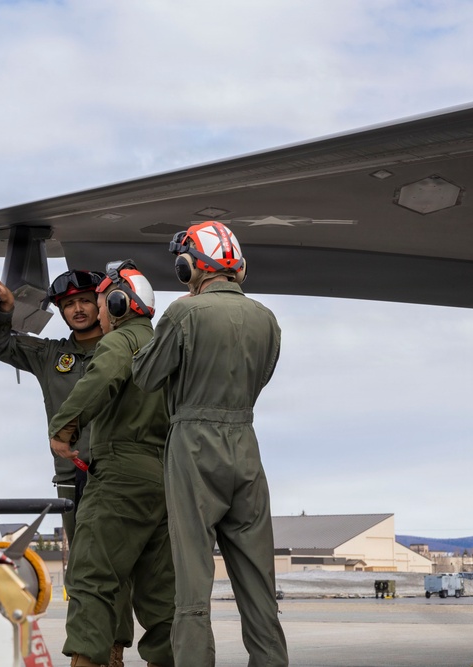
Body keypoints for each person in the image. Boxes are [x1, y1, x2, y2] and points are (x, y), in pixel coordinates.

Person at [131, 221, 288, 667]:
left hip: (194, 444)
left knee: (193, 581)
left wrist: (171, 320)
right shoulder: (267, 319)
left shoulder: (184, 314)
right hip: (245, 442)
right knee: (258, 581)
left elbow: (146, 376)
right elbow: (261, 378)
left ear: (190, 267)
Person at [0, 271, 135, 667]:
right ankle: (94, 650)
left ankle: (112, 647)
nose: (78, 309)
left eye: (85, 300)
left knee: (119, 567)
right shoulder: (51, 355)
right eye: (68, 304)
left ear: (102, 303)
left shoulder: (126, 347)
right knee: (85, 568)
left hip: (120, 473)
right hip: (72, 479)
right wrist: (6, 311)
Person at [48, 261, 174, 667]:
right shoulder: (167, 345)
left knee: (91, 577)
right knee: (160, 590)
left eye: (101, 303)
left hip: (120, 473)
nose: (98, 312)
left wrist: (64, 428)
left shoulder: (121, 342)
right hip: (166, 477)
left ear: (120, 303)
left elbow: (101, 379)